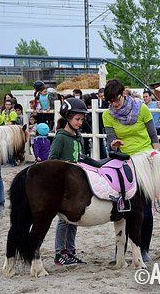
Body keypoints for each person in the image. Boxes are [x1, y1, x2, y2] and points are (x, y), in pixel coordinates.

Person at [102, 79, 160, 263]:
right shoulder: (107, 115)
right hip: (123, 162)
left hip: (144, 159)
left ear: (123, 94)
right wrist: (114, 144)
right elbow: (111, 140)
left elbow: (153, 136)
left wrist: (156, 157)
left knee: (145, 209)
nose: (114, 104)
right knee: (122, 207)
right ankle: (121, 251)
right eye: (110, 101)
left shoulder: (141, 108)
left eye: (116, 99)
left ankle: (144, 249)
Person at [50, 97, 89, 266]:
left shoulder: (79, 138)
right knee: (64, 220)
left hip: (76, 185)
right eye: (77, 119)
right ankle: (60, 253)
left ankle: (70, 251)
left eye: (82, 119)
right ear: (68, 118)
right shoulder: (60, 138)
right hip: (63, 185)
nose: (80, 123)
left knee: (74, 219)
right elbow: (52, 160)